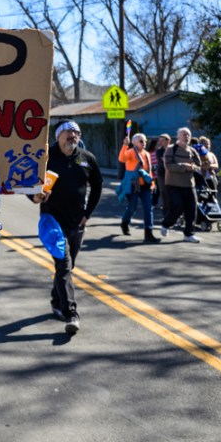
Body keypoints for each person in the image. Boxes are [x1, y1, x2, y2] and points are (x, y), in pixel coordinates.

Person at [33, 119, 102, 335]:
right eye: (68, 132)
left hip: (77, 222)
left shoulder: (87, 158)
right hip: (52, 221)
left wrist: (86, 215)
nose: (73, 136)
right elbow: (29, 182)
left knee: (67, 268)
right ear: (58, 136)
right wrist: (35, 197)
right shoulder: (45, 157)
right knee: (63, 265)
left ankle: (56, 301)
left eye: (76, 133)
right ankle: (71, 314)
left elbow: (98, 186)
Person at [160, 127, 202, 243]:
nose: (187, 137)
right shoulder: (171, 149)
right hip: (173, 184)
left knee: (192, 210)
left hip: (189, 185)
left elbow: (199, 165)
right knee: (177, 207)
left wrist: (193, 167)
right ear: (178, 136)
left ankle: (189, 234)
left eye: (188, 135)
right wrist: (184, 166)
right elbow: (168, 165)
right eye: (184, 134)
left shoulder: (193, 151)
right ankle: (165, 224)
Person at [117, 133, 160, 243]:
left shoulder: (147, 154)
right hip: (133, 185)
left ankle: (148, 233)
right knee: (132, 207)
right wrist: (125, 145)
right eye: (141, 141)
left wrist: (152, 184)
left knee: (148, 208)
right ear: (134, 142)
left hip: (145, 185)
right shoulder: (131, 152)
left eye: (145, 141)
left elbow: (148, 171)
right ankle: (125, 222)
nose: (144, 143)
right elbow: (122, 158)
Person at [154, 133, 171, 215]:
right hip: (162, 174)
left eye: (162, 140)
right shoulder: (159, 151)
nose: (160, 142)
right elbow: (164, 161)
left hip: (173, 174)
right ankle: (166, 212)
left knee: (173, 192)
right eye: (159, 140)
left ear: (168, 141)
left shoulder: (173, 149)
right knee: (164, 192)